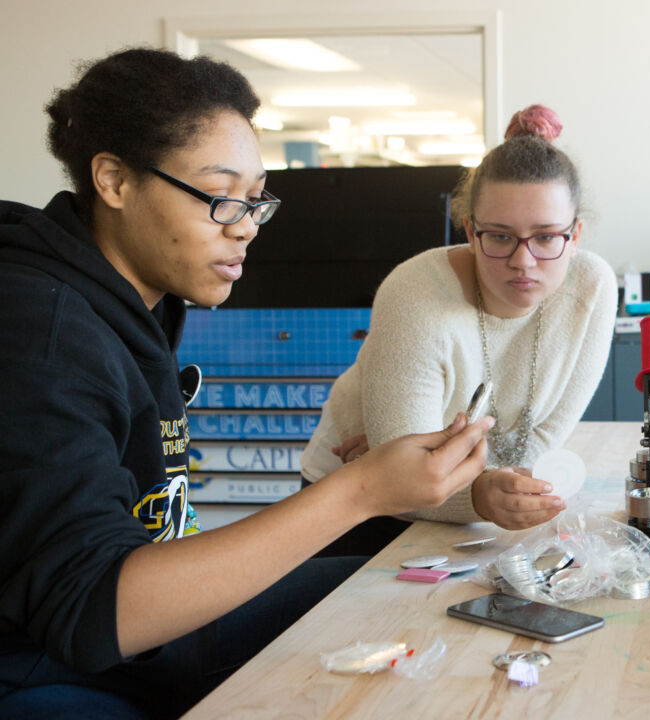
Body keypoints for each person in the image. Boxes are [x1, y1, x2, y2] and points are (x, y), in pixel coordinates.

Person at [0, 48, 493, 719]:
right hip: (45, 670)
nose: (245, 228)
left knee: (401, 590)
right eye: (221, 197)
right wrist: (362, 491)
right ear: (114, 180)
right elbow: (90, 609)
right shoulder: (41, 327)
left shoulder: (139, 301)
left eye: (256, 200)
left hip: (140, 636)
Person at [299, 104, 617, 553]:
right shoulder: (416, 294)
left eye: (546, 237)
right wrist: (475, 491)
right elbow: (401, 481)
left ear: (575, 235)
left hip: (475, 508)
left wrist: (474, 484)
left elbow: (542, 438)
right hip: (354, 504)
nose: (523, 261)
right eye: (500, 236)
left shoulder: (593, 288)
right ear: (471, 231)